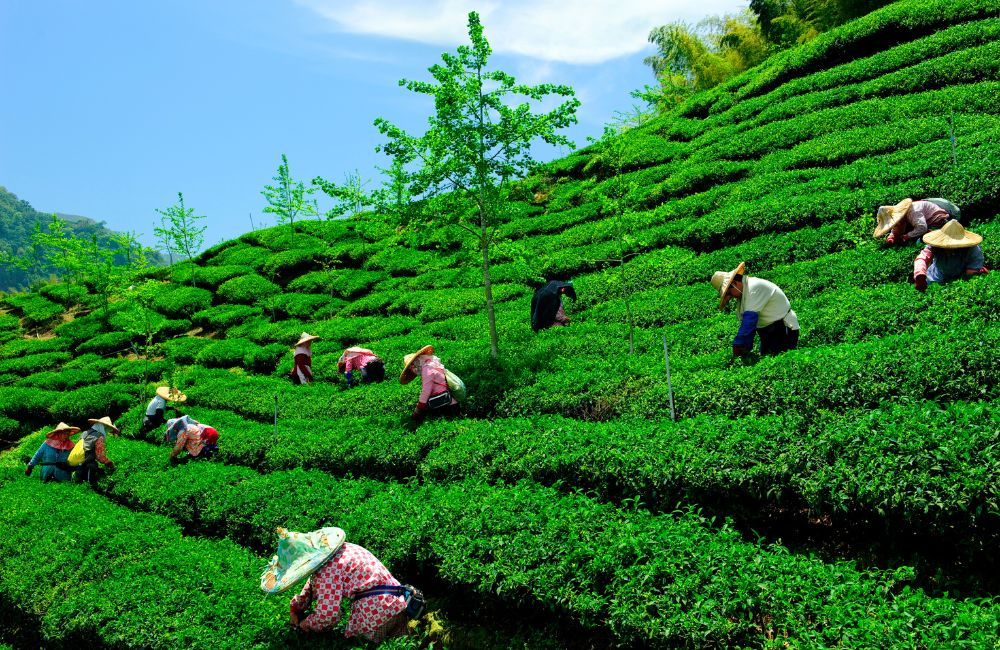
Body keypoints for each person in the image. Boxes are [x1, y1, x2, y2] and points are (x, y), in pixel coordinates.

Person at [261, 527, 423, 643]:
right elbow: (312, 585)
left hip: (375, 614)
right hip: (398, 603)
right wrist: (295, 607)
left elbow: (328, 616)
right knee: (401, 643)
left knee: (357, 643)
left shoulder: (327, 572)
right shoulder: (344, 550)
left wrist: (305, 625)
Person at [710, 262, 800, 356]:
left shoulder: (753, 287)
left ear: (734, 283)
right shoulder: (743, 294)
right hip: (767, 333)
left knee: (780, 361)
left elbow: (749, 320)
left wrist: (739, 344)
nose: (731, 297)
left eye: (729, 293)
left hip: (781, 328)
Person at [912, 220, 988, 292]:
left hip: (959, 280)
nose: (949, 248)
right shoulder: (934, 246)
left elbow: (970, 273)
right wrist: (920, 274)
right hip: (935, 279)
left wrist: (974, 272)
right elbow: (923, 258)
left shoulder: (973, 249)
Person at [399, 345, 459, 421]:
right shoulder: (431, 364)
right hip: (450, 402)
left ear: (418, 360)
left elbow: (426, 391)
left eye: (413, 365)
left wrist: (417, 413)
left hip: (446, 406)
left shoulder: (427, 369)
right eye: (411, 368)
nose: (413, 369)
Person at [874, 197, 962, 245]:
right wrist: (892, 236)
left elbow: (922, 227)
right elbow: (896, 226)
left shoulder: (913, 212)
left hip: (938, 219)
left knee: (925, 236)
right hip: (923, 221)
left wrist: (906, 236)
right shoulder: (902, 216)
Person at [74, 416, 118, 487]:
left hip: (78, 463)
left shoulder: (85, 432)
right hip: (88, 465)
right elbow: (100, 456)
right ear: (103, 427)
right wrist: (109, 463)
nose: (107, 430)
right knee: (88, 488)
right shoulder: (99, 436)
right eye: (106, 428)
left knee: (78, 486)